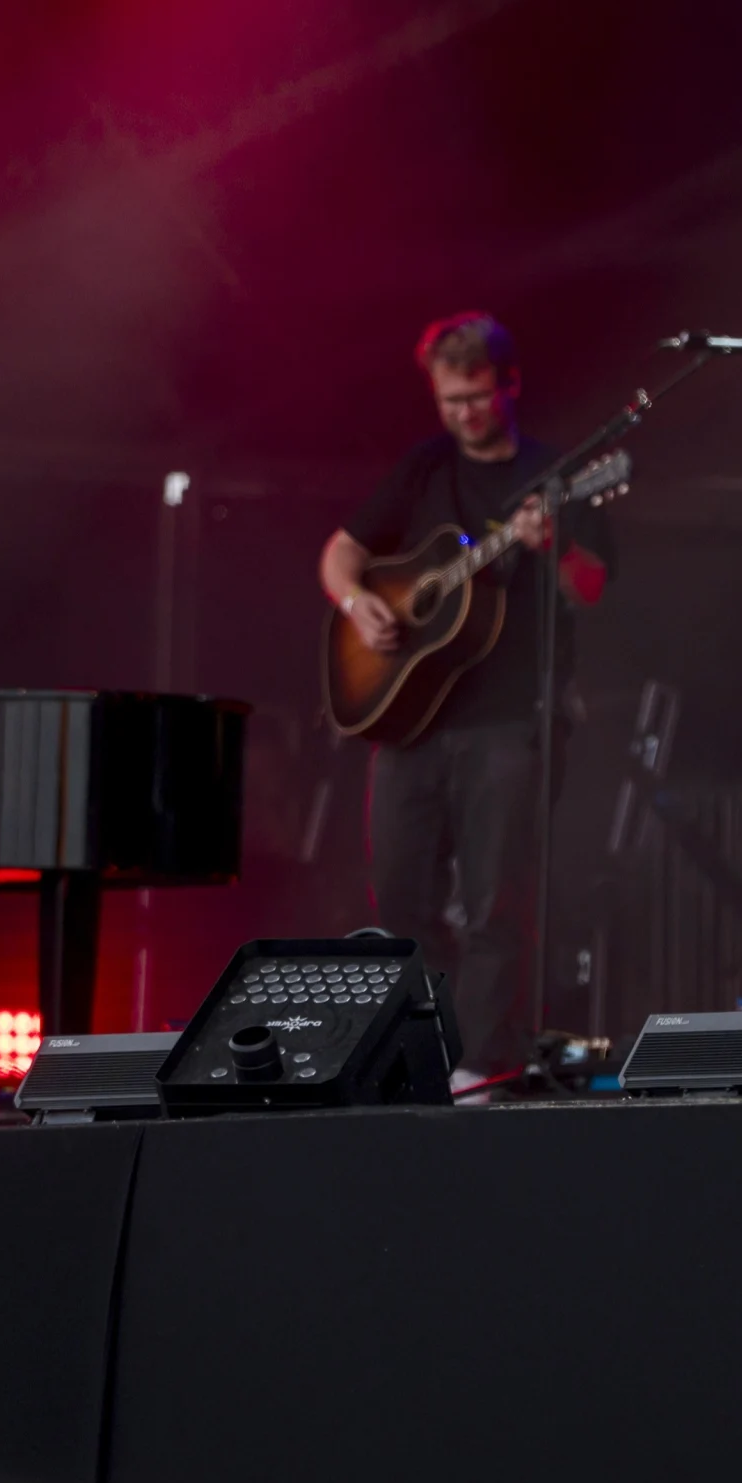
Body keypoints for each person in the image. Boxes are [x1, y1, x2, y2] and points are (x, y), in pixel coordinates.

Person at [319, 313, 612, 1091]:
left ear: (508, 385)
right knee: (402, 904)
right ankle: (419, 1056)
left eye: (477, 397)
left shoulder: (560, 475)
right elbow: (342, 554)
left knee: (495, 905)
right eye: (450, 401)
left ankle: (486, 1067)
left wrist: (553, 547)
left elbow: (592, 585)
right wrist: (358, 603)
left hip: (508, 722)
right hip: (409, 722)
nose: (464, 414)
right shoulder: (423, 469)